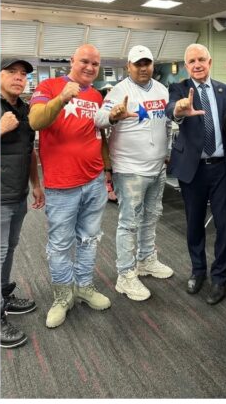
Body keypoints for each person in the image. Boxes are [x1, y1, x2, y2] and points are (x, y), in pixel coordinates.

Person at [27, 44, 112, 328]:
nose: (89, 68)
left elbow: (98, 135)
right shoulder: (49, 86)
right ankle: (63, 296)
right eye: (84, 62)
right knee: (60, 244)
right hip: (62, 184)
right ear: (72, 61)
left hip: (94, 180)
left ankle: (84, 286)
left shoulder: (97, 95)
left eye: (95, 64)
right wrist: (62, 98)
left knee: (89, 239)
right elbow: (36, 121)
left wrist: (107, 171)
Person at [95, 46, 174, 302]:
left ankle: (146, 260)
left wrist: (168, 151)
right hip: (130, 170)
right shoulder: (119, 90)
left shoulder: (162, 90)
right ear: (128, 66)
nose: (143, 68)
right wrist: (113, 116)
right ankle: (125, 274)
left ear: (152, 65)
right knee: (129, 222)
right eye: (137, 64)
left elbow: (168, 123)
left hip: (157, 168)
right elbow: (99, 118)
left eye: (147, 63)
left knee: (151, 217)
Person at [167, 43, 226, 305]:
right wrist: (179, 109)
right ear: (186, 66)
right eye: (191, 61)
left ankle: (220, 278)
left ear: (209, 62)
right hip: (193, 170)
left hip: (222, 168)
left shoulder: (224, 91)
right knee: (194, 223)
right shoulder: (178, 88)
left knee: (225, 225)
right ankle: (198, 271)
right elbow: (171, 108)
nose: (197, 65)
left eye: (201, 60)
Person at [0, 58, 43, 349]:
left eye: (23, 74)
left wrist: (36, 184)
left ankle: (4, 294)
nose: (19, 77)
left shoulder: (25, 110)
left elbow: (30, 151)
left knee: (10, 248)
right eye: (12, 72)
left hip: (18, 194)